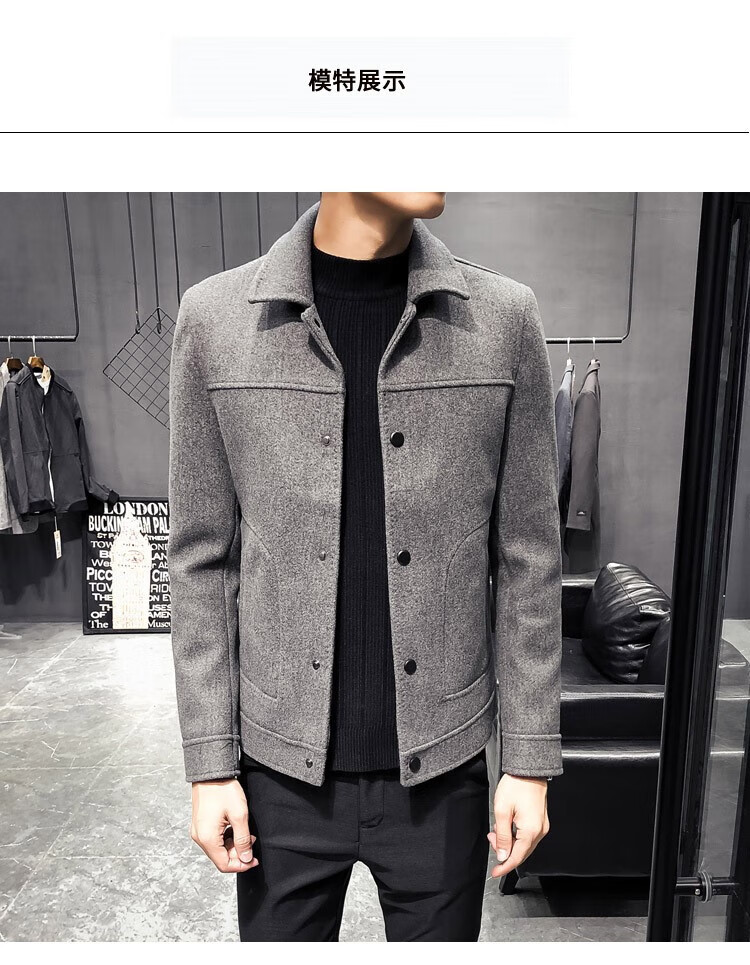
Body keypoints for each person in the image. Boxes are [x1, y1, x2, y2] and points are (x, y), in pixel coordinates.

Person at [167, 192, 563, 942]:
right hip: (278, 774)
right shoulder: (215, 319)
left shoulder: (503, 320)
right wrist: (210, 762)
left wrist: (529, 757)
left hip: (443, 773)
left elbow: (529, 556)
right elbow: (199, 560)